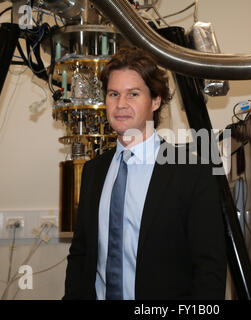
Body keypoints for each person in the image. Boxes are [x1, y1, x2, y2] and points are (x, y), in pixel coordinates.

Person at [63, 47, 227, 300]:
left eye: (134, 94)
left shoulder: (191, 172)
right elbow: (80, 253)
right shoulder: (94, 171)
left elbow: (209, 268)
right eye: (113, 94)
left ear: (156, 100)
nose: (120, 105)